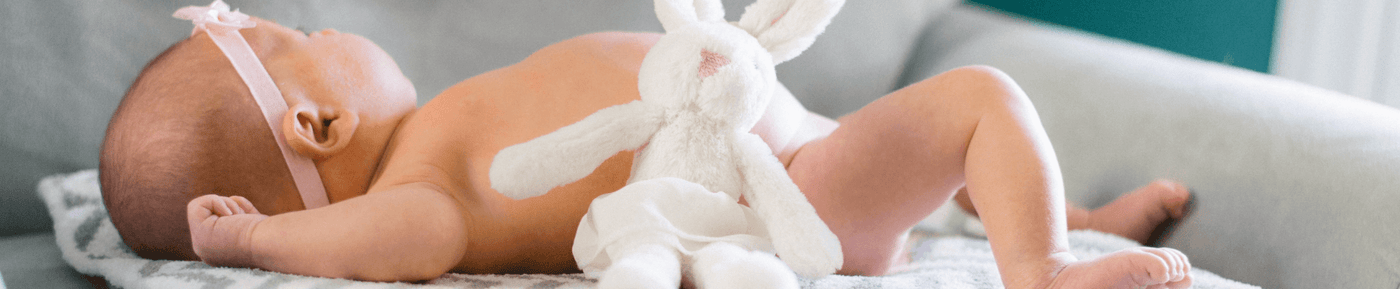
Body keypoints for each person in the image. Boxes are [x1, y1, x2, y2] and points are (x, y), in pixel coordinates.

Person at [100, 2, 1193, 288]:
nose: (329, 28)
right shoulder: (421, 179)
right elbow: (411, 241)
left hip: (797, 151)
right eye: (303, 41)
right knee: (979, 98)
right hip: (790, 196)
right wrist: (255, 249)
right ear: (317, 124)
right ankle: (1039, 266)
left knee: (955, 147)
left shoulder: (437, 129)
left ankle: (1068, 223)